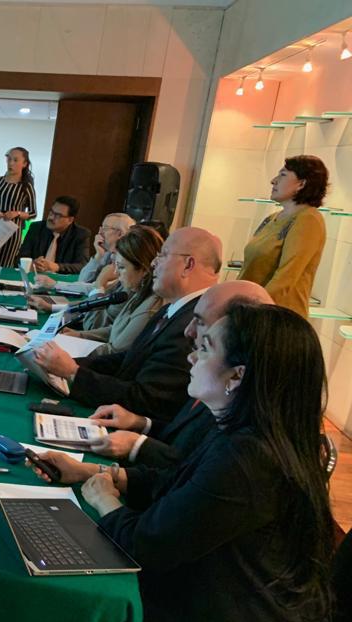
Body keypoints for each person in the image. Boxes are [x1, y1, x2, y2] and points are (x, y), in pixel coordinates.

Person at [33, 303, 334, 622]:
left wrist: (105, 500)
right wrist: (102, 475)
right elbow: (179, 484)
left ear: (237, 376)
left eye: (206, 347)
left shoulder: (248, 460)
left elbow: (145, 545)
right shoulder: (251, 433)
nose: (191, 355)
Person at [30, 226, 221, 421]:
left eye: (163, 255)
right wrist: (67, 366)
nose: (153, 263)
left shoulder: (192, 324)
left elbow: (147, 399)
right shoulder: (174, 309)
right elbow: (128, 359)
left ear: (188, 265)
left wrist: (73, 372)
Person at [86, 280, 273, 468]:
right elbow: (182, 436)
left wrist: (136, 447)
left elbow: (192, 466)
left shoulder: (244, 423)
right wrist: (139, 422)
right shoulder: (215, 381)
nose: (188, 331)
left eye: (201, 322)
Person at [238, 155, 328, 318]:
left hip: (276, 318)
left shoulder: (308, 219)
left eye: (283, 175)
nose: (273, 181)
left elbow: (286, 277)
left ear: (301, 184)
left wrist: (252, 309)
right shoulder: (271, 219)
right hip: (253, 311)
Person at [65, 225, 164, 356]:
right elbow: (115, 330)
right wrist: (79, 335)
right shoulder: (138, 291)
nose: (116, 273)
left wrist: (69, 347)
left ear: (144, 270)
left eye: (121, 267)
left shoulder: (150, 306)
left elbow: (115, 350)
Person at [35, 212, 135, 296]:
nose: (100, 232)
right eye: (100, 228)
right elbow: (83, 279)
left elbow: (94, 288)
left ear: (119, 234)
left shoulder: (126, 260)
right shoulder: (109, 254)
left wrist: (55, 284)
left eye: (105, 228)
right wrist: (98, 256)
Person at [0, 146, 37, 267]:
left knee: (4, 265)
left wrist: (17, 213)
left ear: (24, 164)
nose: (11, 163)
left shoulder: (26, 187)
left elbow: (33, 213)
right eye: (9, 159)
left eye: (15, 160)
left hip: (11, 233)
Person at [18, 196, 91, 274]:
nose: (51, 217)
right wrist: (31, 264)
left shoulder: (80, 235)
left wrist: (56, 267)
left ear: (70, 220)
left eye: (58, 215)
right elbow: (20, 258)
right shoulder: (36, 228)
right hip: (35, 277)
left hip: (60, 279)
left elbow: (83, 266)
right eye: (51, 212)